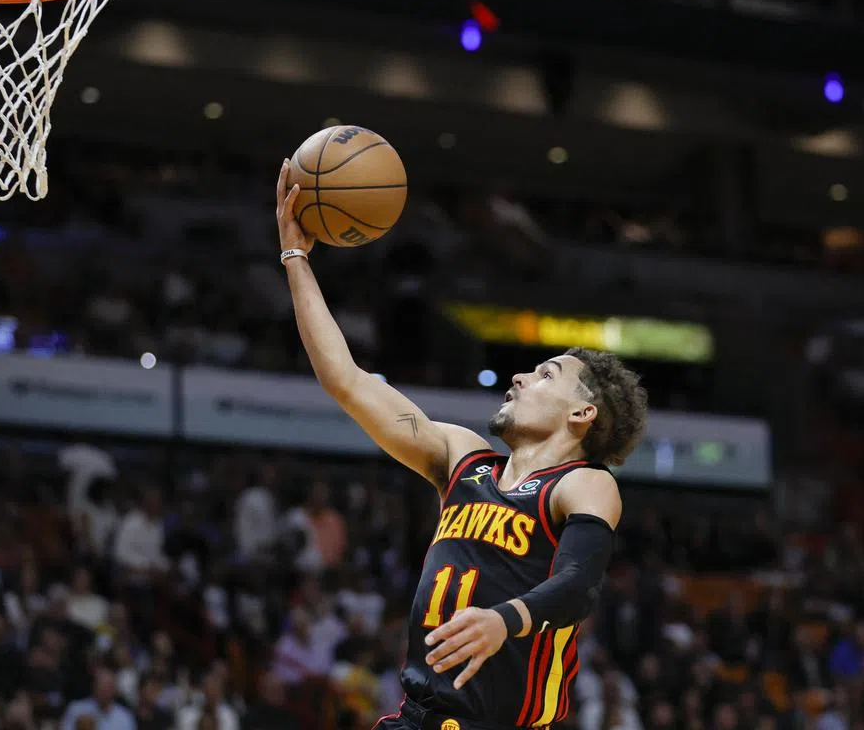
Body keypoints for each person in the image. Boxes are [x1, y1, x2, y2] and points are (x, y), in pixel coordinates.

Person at [275, 162, 649, 729]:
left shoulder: (583, 484)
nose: (521, 378)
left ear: (582, 414)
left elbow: (579, 584)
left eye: (546, 374)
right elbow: (346, 381)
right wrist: (296, 258)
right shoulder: (461, 457)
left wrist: (506, 620)